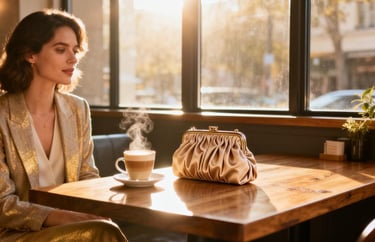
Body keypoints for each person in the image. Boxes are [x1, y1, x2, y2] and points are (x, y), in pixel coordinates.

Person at [0, 9, 127, 241]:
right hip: (15, 233)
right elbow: (2, 204)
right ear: (30, 54)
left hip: (72, 226)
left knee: (103, 227)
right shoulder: (1, 115)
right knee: (103, 232)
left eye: (75, 50)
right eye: (61, 50)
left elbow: (88, 177)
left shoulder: (78, 109)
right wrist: (64, 217)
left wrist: (99, 209)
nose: (73, 58)